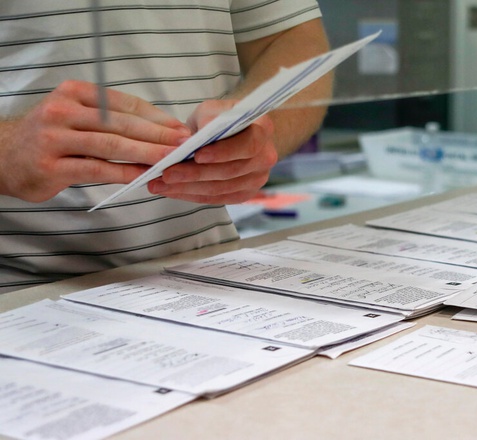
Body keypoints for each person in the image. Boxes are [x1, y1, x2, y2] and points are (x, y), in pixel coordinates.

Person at [0, 0, 333, 293]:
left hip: (207, 276)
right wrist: (7, 147)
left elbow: (291, 39)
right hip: (19, 293)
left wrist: (255, 134)